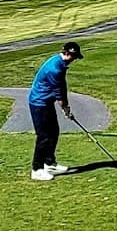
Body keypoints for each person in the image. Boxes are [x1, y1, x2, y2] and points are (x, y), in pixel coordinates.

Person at [27, 42, 81, 182]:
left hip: (46, 102)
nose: (74, 60)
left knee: (54, 132)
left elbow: (62, 89)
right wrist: (66, 110)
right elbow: (60, 95)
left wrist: (66, 108)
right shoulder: (54, 69)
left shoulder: (59, 63)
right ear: (67, 54)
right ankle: (37, 169)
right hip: (39, 103)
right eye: (74, 57)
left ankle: (49, 163)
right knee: (44, 136)